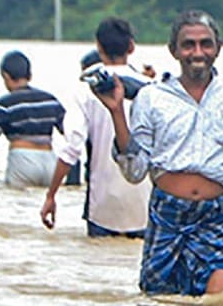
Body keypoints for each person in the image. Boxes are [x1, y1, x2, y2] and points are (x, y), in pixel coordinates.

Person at [103, 9, 223, 295]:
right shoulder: (151, 98)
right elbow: (135, 172)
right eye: (188, 44)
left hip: (217, 214)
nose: (198, 52)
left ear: (217, 49)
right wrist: (117, 111)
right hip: (168, 211)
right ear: (174, 51)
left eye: (206, 44)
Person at [41, 18, 151, 238]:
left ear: (99, 47)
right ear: (131, 47)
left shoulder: (85, 90)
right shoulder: (151, 88)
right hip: (145, 205)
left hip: (102, 206)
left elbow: (71, 148)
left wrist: (51, 196)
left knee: (97, 264)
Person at [0, 51, 65, 188]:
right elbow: (70, 133)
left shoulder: (4, 104)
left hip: (22, 160)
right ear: (29, 75)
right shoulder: (50, 100)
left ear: (5, 76)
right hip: (51, 162)